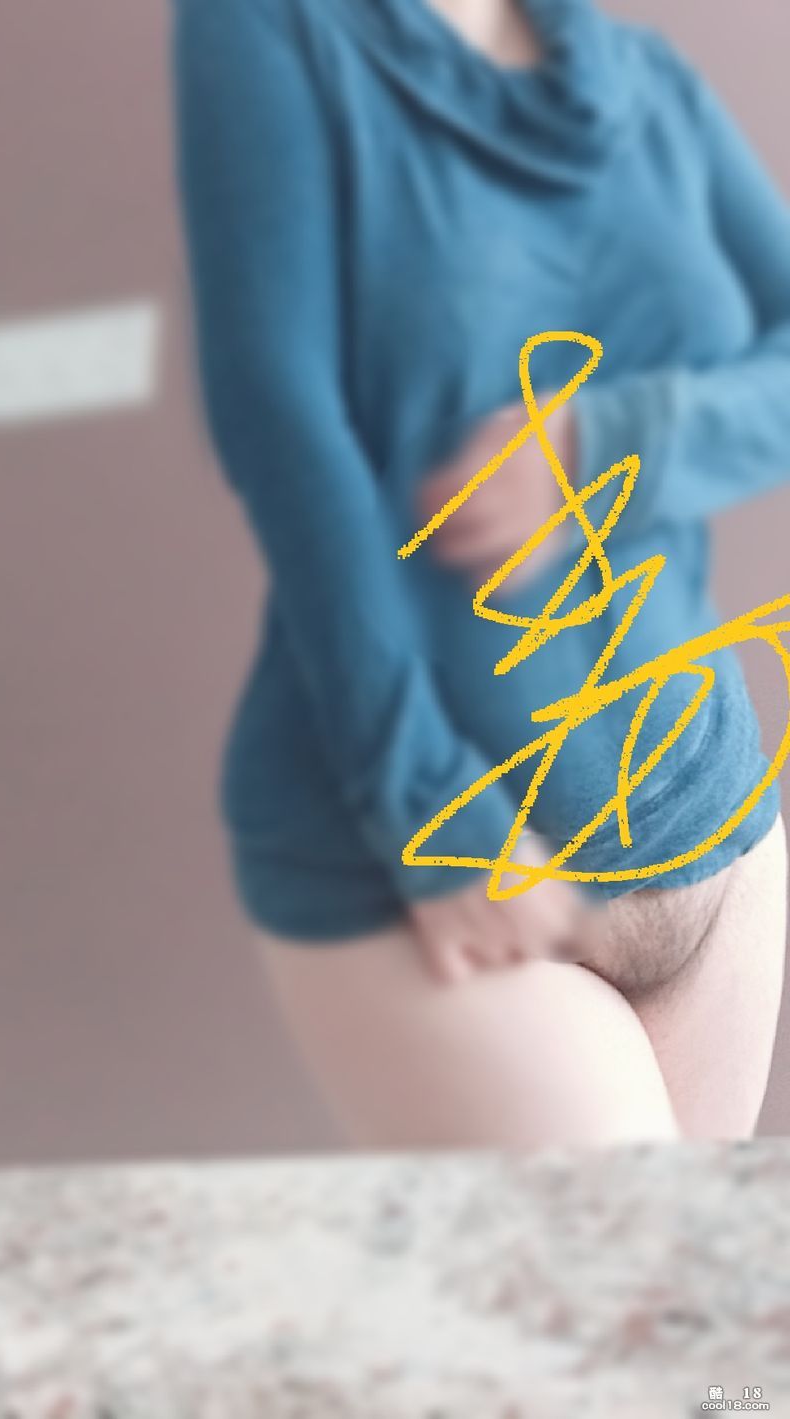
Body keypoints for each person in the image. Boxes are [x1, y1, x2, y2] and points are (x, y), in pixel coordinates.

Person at [170, 0, 790, 1148]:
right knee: (604, 1270)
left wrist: (600, 442)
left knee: (697, 1268)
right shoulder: (272, 39)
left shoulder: (640, 81)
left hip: (715, 822)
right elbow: (280, 422)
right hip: (450, 855)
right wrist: (416, 800)